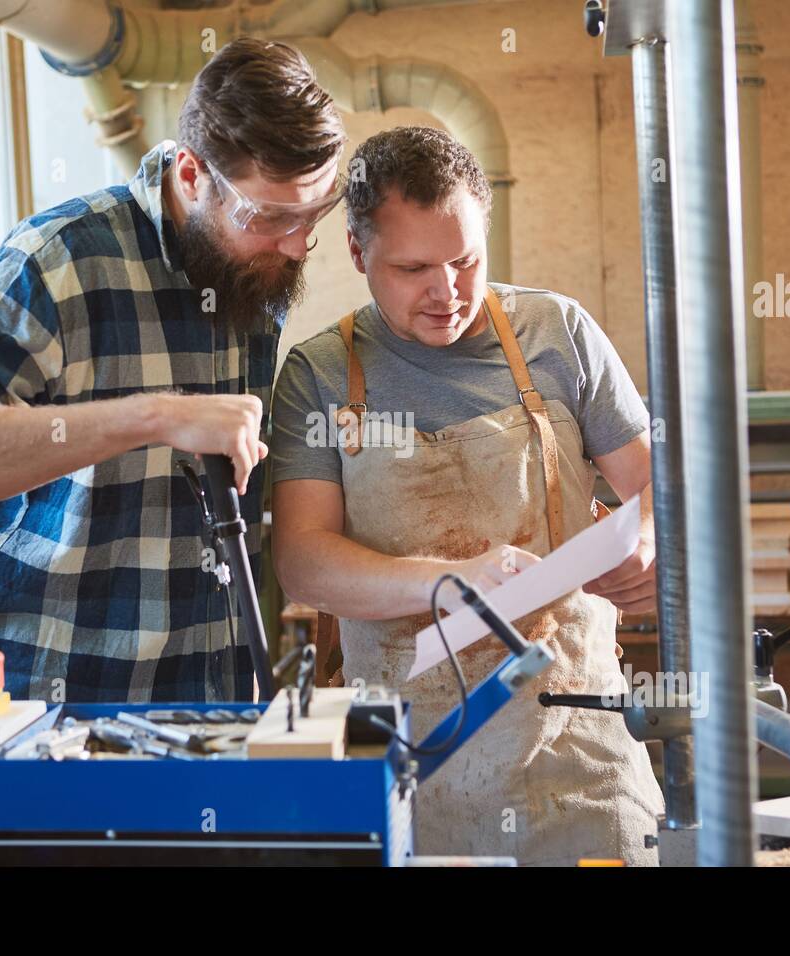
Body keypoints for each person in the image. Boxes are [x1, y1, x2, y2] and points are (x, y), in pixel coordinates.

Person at [0, 39, 345, 707]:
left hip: (205, 706)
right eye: (271, 218)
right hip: (53, 716)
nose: (296, 246)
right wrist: (155, 415)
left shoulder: (248, 271)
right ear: (192, 174)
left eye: (314, 215)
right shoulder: (60, 259)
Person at [270, 126, 665, 865]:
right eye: (414, 267)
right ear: (358, 254)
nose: (447, 292)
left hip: (575, 745)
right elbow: (303, 562)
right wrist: (451, 583)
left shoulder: (557, 334)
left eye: (466, 260)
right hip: (412, 757)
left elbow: (659, 494)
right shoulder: (320, 375)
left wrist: (647, 545)